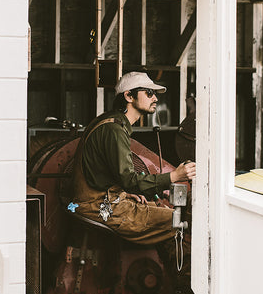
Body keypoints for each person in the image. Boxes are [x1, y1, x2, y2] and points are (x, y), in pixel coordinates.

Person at [72, 71, 196, 245]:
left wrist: (123, 192)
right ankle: (182, 272)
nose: (156, 99)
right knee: (180, 219)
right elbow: (130, 180)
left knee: (160, 208)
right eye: (149, 93)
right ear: (129, 96)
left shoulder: (109, 122)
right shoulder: (114, 130)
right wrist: (175, 176)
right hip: (100, 207)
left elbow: (110, 175)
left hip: (101, 201)